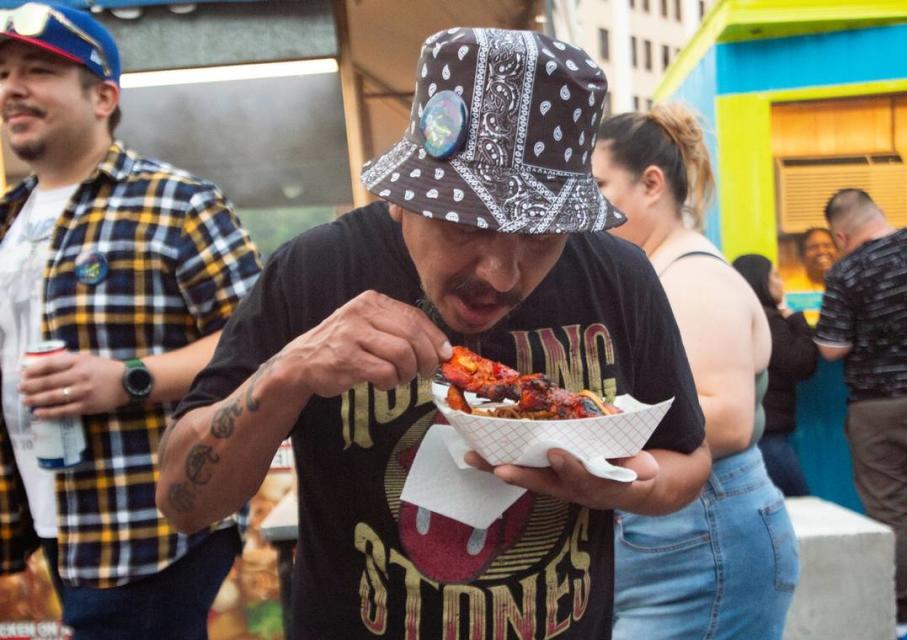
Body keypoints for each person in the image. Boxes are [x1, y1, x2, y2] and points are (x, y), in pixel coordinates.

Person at [157, 27, 711, 639]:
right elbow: (184, 502)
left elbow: (688, 463)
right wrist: (288, 372)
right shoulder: (313, 272)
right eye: (465, 224)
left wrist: (621, 489)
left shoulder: (620, 276)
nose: (500, 275)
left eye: (539, 236)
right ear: (405, 194)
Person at [0, 4, 262, 638]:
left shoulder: (176, 202)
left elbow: (262, 342)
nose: (12, 87)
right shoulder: (6, 219)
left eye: (39, 71)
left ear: (103, 96)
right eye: (5, 73)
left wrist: (129, 377)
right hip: (50, 522)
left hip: (150, 525)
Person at [592, 105, 799, 640]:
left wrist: (591, 424)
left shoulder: (693, 280)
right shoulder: (659, 272)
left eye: (598, 185)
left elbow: (727, 420)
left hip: (704, 538)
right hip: (679, 536)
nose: (586, 205)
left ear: (651, 184)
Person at [815, 188, 907, 640]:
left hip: (882, 410)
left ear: (842, 235)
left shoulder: (848, 270)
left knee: (889, 517)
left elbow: (832, 349)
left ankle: (899, 622)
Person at [733, 254, 818, 496]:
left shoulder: (741, 317)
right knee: (798, 501)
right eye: (776, 276)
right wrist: (797, 319)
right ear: (761, 281)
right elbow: (801, 363)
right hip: (770, 433)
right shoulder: (769, 320)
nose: (781, 283)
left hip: (758, 427)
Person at [783, 227, 839, 325]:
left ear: (837, 251)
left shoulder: (849, 285)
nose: (822, 251)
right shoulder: (789, 289)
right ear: (802, 256)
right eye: (813, 247)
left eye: (827, 245)